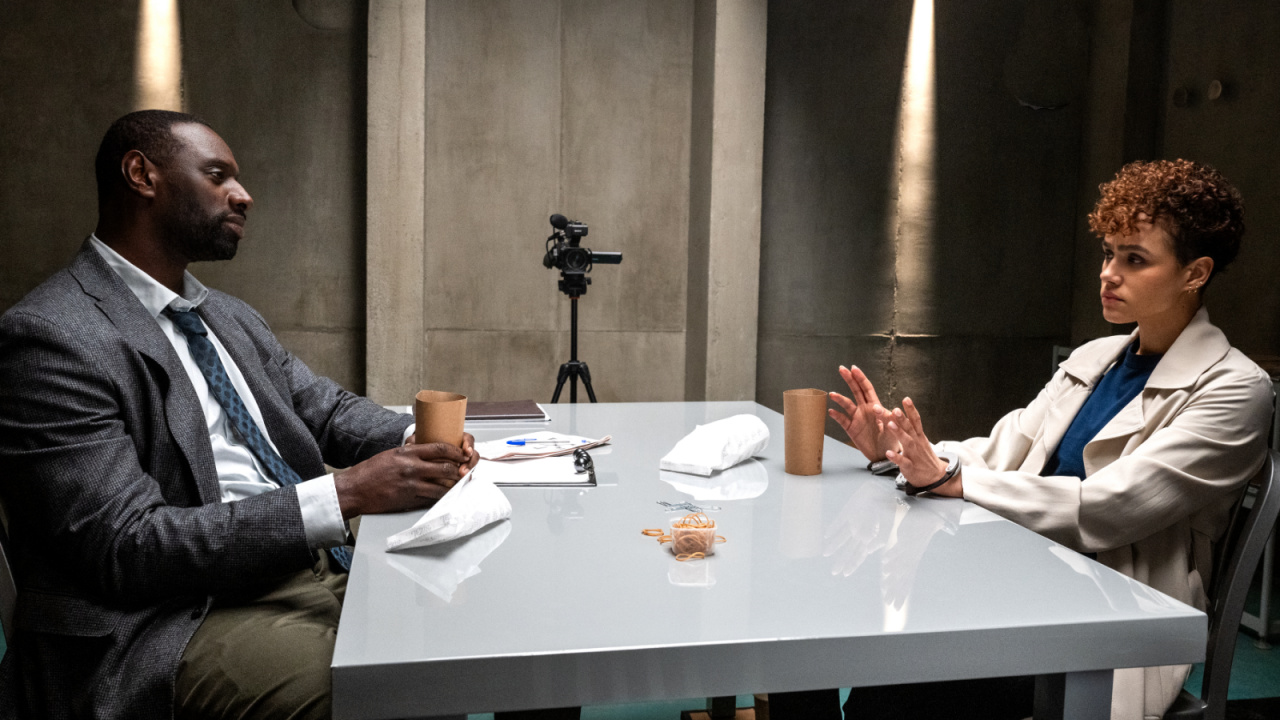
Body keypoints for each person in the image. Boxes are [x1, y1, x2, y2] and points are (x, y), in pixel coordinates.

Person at [0, 110, 481, 720]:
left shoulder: (226, 314)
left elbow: (324, 408)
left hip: (302, 564)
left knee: (477, 642)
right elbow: (128, 547)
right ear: (141, 175)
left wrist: (421, 439)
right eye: (218, 175)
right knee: (403, 696)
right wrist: (344, 495)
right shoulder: (51, 337)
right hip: (170, 621)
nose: (244, 194)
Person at [777, 159, 1273, 720]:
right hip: (1019, 576)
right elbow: (999, 450)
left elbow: (1112, 508)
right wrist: (896, 450)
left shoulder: (1236, 390)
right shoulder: (1095, 357)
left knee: (901, 673)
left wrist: (951, 479)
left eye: (1135, 259)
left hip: (1108, 615)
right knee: (810, 613)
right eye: (1109, 253)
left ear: (1195, 272)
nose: (1109, 273)